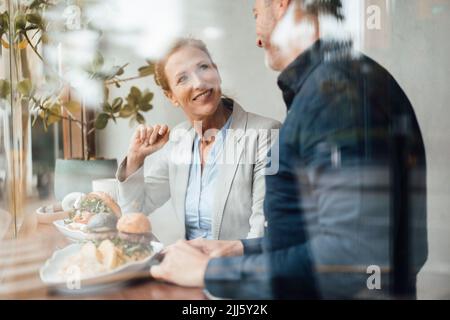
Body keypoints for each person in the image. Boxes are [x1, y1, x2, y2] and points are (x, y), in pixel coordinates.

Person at [150, 0, 427, 299]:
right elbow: (317, 235)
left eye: (256, 14)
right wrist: (237, 248)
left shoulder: (334, 94)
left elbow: (350, 256)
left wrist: (210, 272)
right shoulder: (341, 81)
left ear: (281, 5)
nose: (257, 38)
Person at [117, 38, 281, 241]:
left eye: (203, 68)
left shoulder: (266, 134)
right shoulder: (179, 139)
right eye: (182, 78)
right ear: (171, 97)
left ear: (217, 72)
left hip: (237, 268)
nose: (199, 82)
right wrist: (135, 158)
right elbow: (135, 209)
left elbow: (262, 233)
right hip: (186, 264)